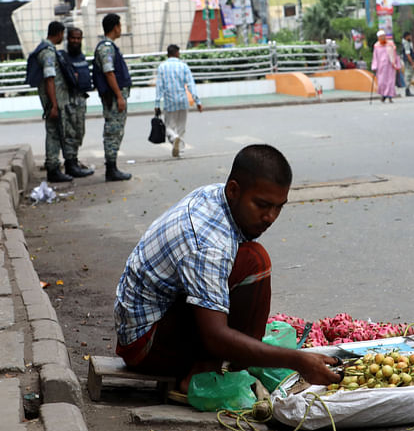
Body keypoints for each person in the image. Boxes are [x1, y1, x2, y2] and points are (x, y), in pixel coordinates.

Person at [114, 144, 341, 394]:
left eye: (279, 207)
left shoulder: (215, 197)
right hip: (145, 346)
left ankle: (235, 361)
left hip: (152, 322)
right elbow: (215, 335)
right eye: (263, 205)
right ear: (234, 189)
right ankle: (201, 375)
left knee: (250, 261)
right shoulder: (208, 244)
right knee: (256, 261)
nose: (271, 217)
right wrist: (296, 361)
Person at [93, 13, 132, 181]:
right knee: (113, 131)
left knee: (116, 131)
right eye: (120, 25)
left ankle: (113, 167)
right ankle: (111, 168)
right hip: (113, 98)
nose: (121, 29)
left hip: (115, 96)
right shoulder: (106, 47)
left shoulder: (109, 46)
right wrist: (119, 96)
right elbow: (109, 73)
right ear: (115, 26)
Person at [32, 21, 72, 183]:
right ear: (59, 33)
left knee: (55, 133)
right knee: (54, 133)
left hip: (54, 99)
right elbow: (49, 79)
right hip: (52, 101)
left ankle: (54, 167)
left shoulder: (46, 48)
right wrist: (54, 104)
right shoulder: (48, 52)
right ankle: (53, 168)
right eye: (62, 34)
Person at [155, 45, 202, 158]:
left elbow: (159, 87)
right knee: (181, 127)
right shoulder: (183, 66)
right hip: (182, 100)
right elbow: (191, 84)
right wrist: (197, 101)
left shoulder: (162, 67)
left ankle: (174, 138)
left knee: (169, 127)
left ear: (168, 53)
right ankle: (180, 151)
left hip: (169, 102)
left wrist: (157, 103)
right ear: (177, 53)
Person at [60, 27, 94, 178]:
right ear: (68, 39)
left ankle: (74, 161)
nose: (75, 41)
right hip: (70, 101)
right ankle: (70, 165)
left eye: (78, 38)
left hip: (81, 100)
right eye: (73, 38)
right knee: (71, 133)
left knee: (79, 132)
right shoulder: (63, 57)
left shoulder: (80, 56)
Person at [371, 30, 402, 103]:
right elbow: (375, 57)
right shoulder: (376, 46)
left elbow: (395, 55)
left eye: (383, 36)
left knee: (390, 82)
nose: (382, 38)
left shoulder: (390, 44)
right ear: (378, 38)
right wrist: (374, 66)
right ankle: (384, 96)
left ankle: (390, 97)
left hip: (390, 67)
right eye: (381, 37)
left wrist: (397, 65)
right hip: (381, 68)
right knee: (382, 82)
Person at [400, 32, 414, 97]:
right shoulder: (406, 43)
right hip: (408, 62)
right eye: (409, 36)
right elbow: (408, 54)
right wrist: (412, 64)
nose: (410, 37)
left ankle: (408, 90)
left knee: (408, 75)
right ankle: (407, 90)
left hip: (408, 61)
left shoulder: (406, 43)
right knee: (408, 75)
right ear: (406, 37)